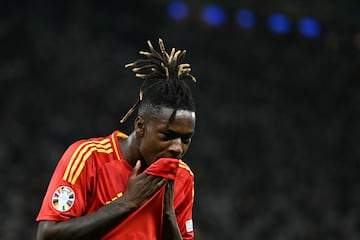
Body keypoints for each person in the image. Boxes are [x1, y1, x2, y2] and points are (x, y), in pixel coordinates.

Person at [36, 38, 197, 240]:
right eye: (168, 136)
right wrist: (126, 203)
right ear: (140, 126)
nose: (177, 148)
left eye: (186, 139)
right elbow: (47, 235)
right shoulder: (88, 158)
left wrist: (167, 212)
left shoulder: (183, 177)